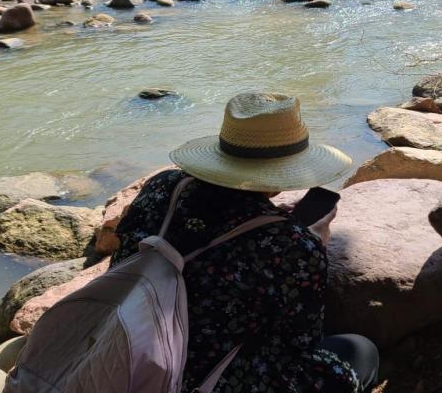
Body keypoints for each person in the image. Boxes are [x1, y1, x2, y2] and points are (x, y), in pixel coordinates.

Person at [109, 92, 380, 392]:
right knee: (361, 351)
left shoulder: (162, 188)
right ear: (287, 168)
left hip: (130, 353)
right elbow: (300, 345)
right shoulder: (293, 247)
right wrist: (312, 244)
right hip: (209, 380)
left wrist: (268, 221)